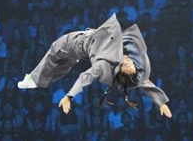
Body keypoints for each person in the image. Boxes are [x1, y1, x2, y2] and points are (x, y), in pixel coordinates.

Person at [17, 13, 172, 118]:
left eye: (126, 63)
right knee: (64, 66)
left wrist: (69, 96)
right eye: (129, 62)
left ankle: (34, 79)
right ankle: (42, 80)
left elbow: (84, 77)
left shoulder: (104, 66)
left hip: (76, 43)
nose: (127, 59)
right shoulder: (134, 70)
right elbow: (145, 82)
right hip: (83, 50)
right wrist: (161, 102)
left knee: (54, 50)